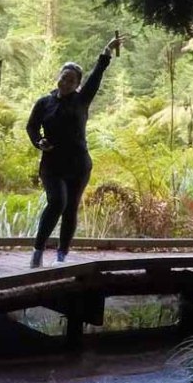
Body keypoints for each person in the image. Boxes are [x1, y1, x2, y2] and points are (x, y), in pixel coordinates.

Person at [26, 33, 126, 268]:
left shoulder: (82, 100)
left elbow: (97, 74)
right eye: (64, 78)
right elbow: (31, 127)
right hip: (52, 165)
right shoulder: (44, 103)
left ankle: (62, 256)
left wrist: (106, 51)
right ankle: (37, 252)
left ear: (77, 84)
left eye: (71, 80)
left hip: (79, 165)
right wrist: (39, 141)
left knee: (70, 208)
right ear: (58, 78)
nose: (66, 82)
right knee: (57, 202)